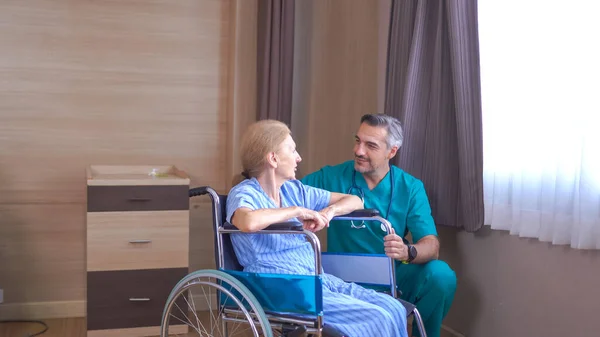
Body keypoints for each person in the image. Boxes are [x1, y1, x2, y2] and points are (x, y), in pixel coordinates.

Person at [227, 119, 409, 337]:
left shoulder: (295, 190)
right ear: (273, 158)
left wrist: (327, 213)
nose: (298, 158)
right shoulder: (244, 193)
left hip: (316, 279)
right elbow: (248, 222)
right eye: (292, 150)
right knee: (374, 318)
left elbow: (355, 201)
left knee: (393, 307)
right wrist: (296, 211)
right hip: (281, 287)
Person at [301, 113, 457, 337]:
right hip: (340, 274)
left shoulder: (410, 187)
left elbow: (431, 245)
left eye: (370, 145)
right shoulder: (331, 177)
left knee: (441, 276)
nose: (359, 151)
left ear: (391, 151)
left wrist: (407, 251)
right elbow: (287, 191)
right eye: (358, 141)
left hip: (391, 273)